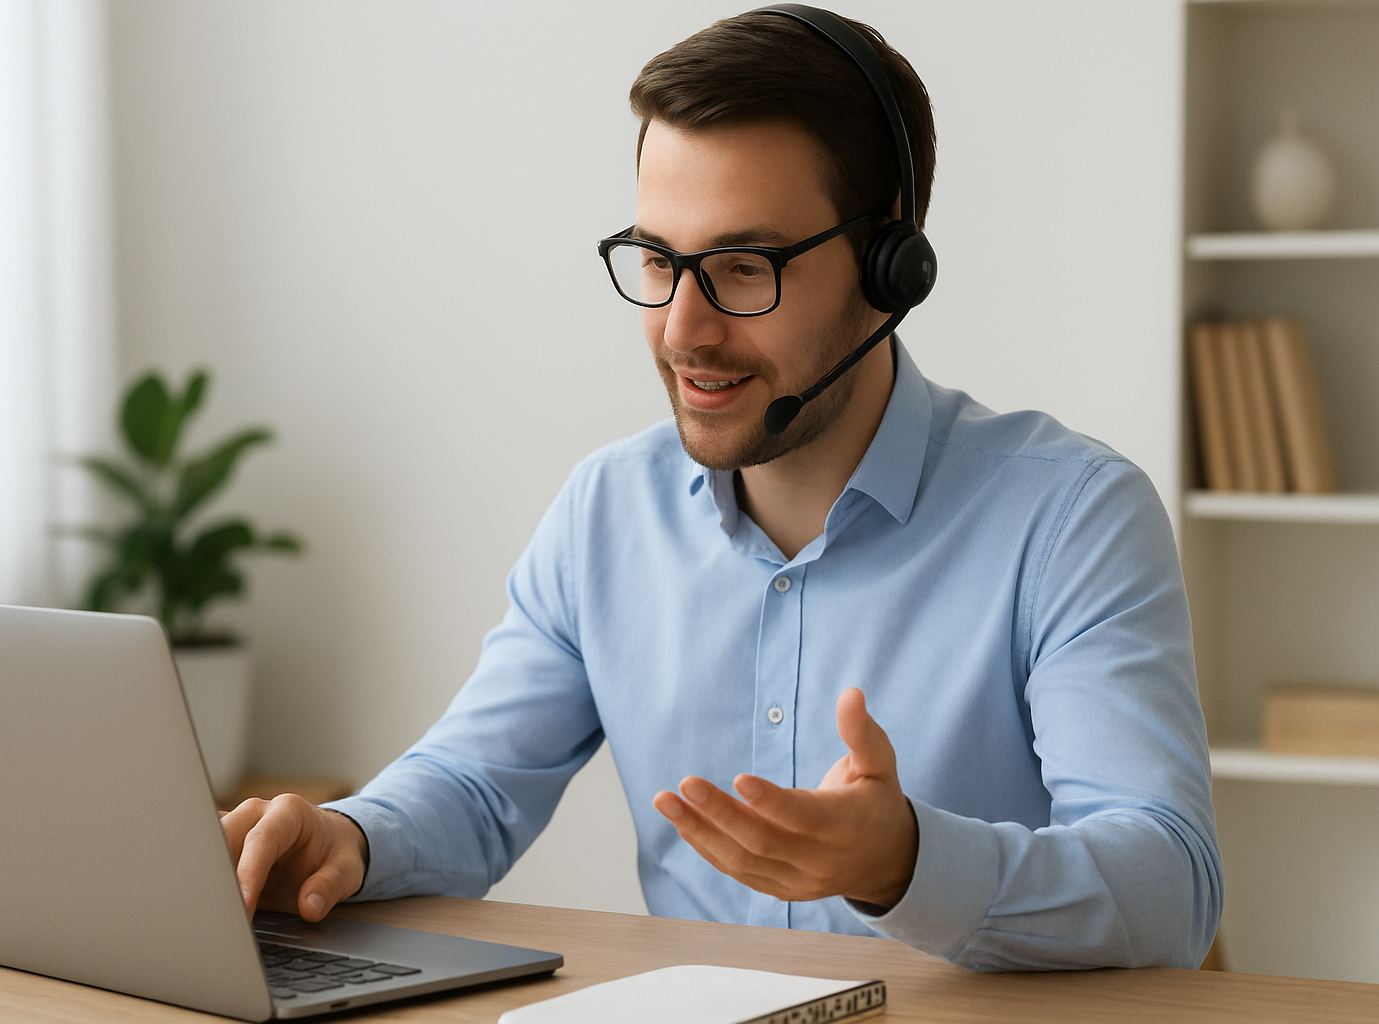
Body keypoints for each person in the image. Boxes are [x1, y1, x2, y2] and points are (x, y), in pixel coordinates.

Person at [222, 7, 1222, 972]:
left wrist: (909, 862)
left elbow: (1172, 888)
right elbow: (477, 783)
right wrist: (350, 836)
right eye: (659, 260)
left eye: (743, 268)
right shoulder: (606, 513)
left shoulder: (1073, 518)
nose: (683, 330)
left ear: (893, 264)